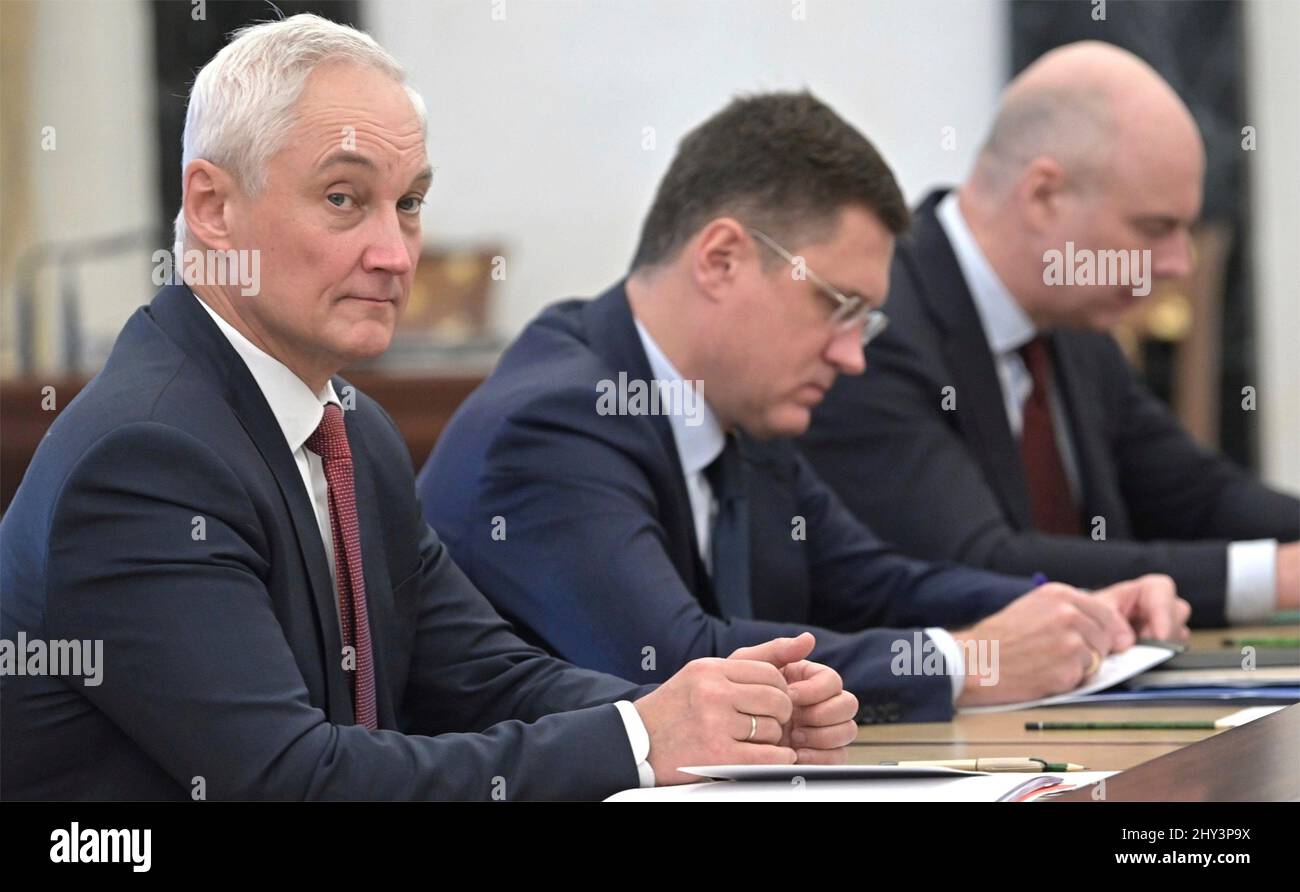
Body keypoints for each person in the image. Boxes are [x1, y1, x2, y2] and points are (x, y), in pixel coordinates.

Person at [0, 15, 857, 801]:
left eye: (409, 203)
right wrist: (641, 738)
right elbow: (290, 779)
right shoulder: (147, 457)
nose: (395, 252)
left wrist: (716, 713)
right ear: (213, 207)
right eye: (344, 198)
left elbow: (484, 676)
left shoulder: (352, 430)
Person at [418, 91, 1190, 725]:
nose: (853, 356)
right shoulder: (554, 420)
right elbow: (675, 660)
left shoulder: (745, 409)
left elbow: (873, 582)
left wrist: (1071, 609)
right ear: (721, 259)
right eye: (838, 305)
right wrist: (966, 663)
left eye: (868, 321)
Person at [798, 42, 1299, 627]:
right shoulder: (877, 326)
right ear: (1042, 195)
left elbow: (1199, 497)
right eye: (1155, 228)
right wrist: (1277, 577)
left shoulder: (1074, 320)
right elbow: (978, 562)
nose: (1176, 264)